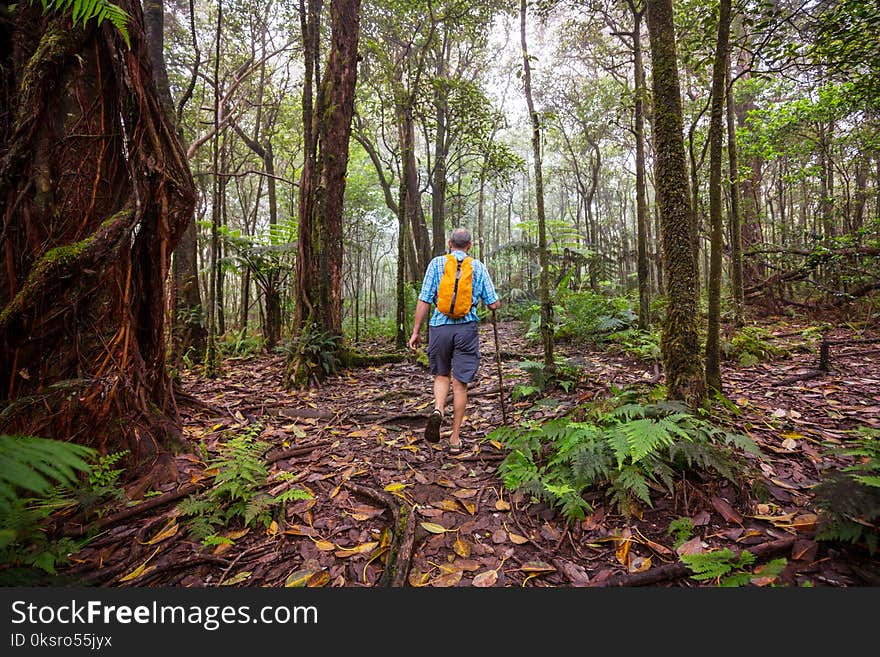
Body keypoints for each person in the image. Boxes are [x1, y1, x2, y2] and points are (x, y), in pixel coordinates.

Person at [408, 228, 500, 453]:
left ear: (450, 243)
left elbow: (424, 299)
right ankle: (455, 439)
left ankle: (439, 408)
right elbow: (493, 303)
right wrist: (492, 304)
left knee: (441, 375)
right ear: (469, 246)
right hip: (466, 329)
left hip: (439, 328)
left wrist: (416, 331)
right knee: (460, 384)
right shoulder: (477, 267)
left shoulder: (436, 264)